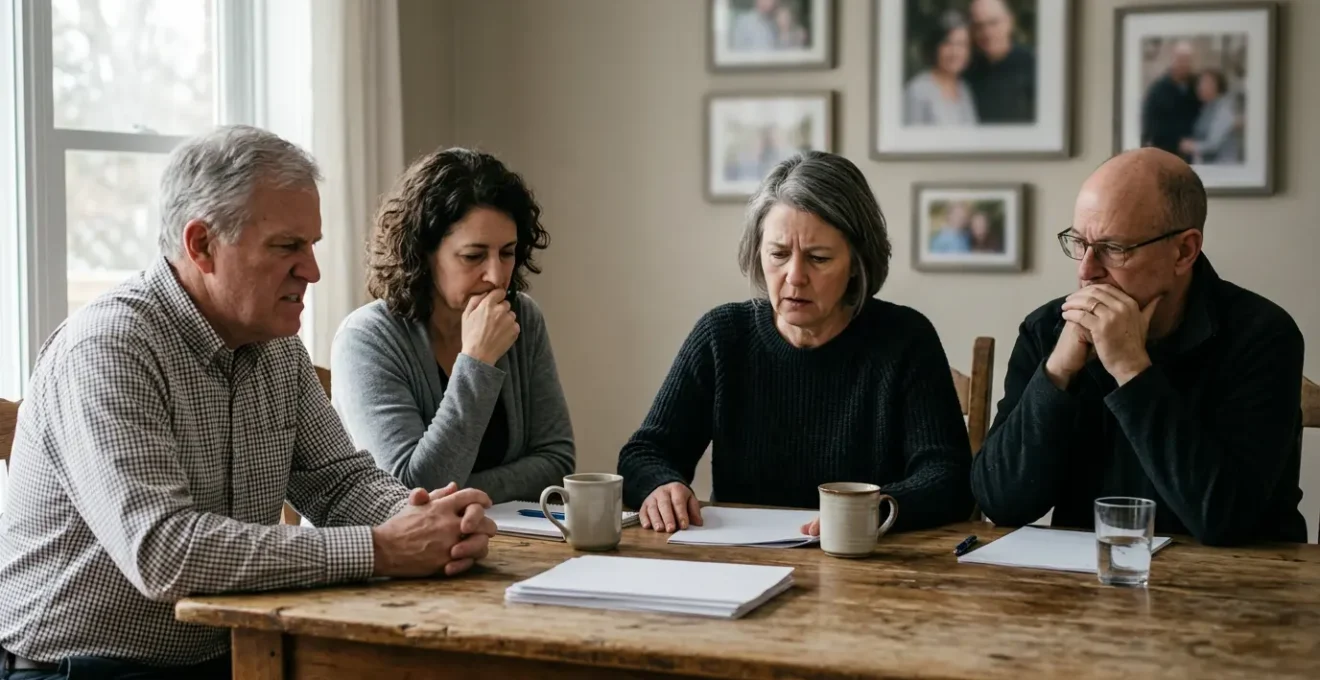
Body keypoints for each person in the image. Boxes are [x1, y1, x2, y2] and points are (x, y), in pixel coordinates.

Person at [0, 126, 498, 679]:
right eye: (288, 246)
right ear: (201, 245)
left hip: (236, 654)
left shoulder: (275, 343)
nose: (311, 270)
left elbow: (339, 481)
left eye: (312, 245)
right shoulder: (109, 349)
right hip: (84, 670)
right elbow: (164, 552)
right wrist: (382, 548)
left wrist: (425, 519)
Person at [618, 151, 973, 535]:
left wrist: (869, 510)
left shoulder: (906, 339)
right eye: (779, 254)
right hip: (743, 565)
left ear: (856, 262)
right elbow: (644, 453)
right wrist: (660, 484)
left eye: (818, 258)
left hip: (869, 564)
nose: (795, 276)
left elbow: (948, 478)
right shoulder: (722, 336)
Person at [971, 148, 1306, 546]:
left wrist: (1130, 369)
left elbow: (1224, 518)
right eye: (1079, 242)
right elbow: (1000, 502)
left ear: (1184, 250)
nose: (1085, 270)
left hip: (1239, 585)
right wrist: (1057, 372)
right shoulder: (1047, 330)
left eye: (1113, 248)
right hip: (1080, 586)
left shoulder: (1263, 335)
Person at [330, 148, 574, 505]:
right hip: (384, 556)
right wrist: (477, 362)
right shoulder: (366, 338)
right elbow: (407, 495)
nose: (496, 276)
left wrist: (457, 491)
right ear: (423, 253)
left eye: (507, 252)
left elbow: (557, 463)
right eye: (473, 256)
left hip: (499, 542)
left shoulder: (523, 319)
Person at [963, 0, 1037, 123]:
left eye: (993, 23)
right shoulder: (965, 70)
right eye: (978, 26)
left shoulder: (1034, 66)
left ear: (1010, 22)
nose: (987, 32)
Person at [903, 10, 978, 126]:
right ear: (935, 48)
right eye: (947, 43)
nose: (955, 52)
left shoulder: (964, 89)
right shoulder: (917, 90)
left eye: (962, 44)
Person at [1140, 41, 1203, 161]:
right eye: (1180, 60)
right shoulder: (1158, 90)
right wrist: (1177, 142)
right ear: (1173, 60)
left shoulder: (1196, 86)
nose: (1184, 64)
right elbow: (1151, 124)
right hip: (1166, 151)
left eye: (1187, 60)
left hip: (1194, 151)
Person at [1181, 69, 1242, 165]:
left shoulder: (1224, 110)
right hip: (1209, 167)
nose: (1200, 87)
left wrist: (1192, 146)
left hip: (1224, 168)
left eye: (1206, 83)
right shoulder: (1206, 107)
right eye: (1200, 83)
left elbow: (1213, 145)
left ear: (1217, 86)